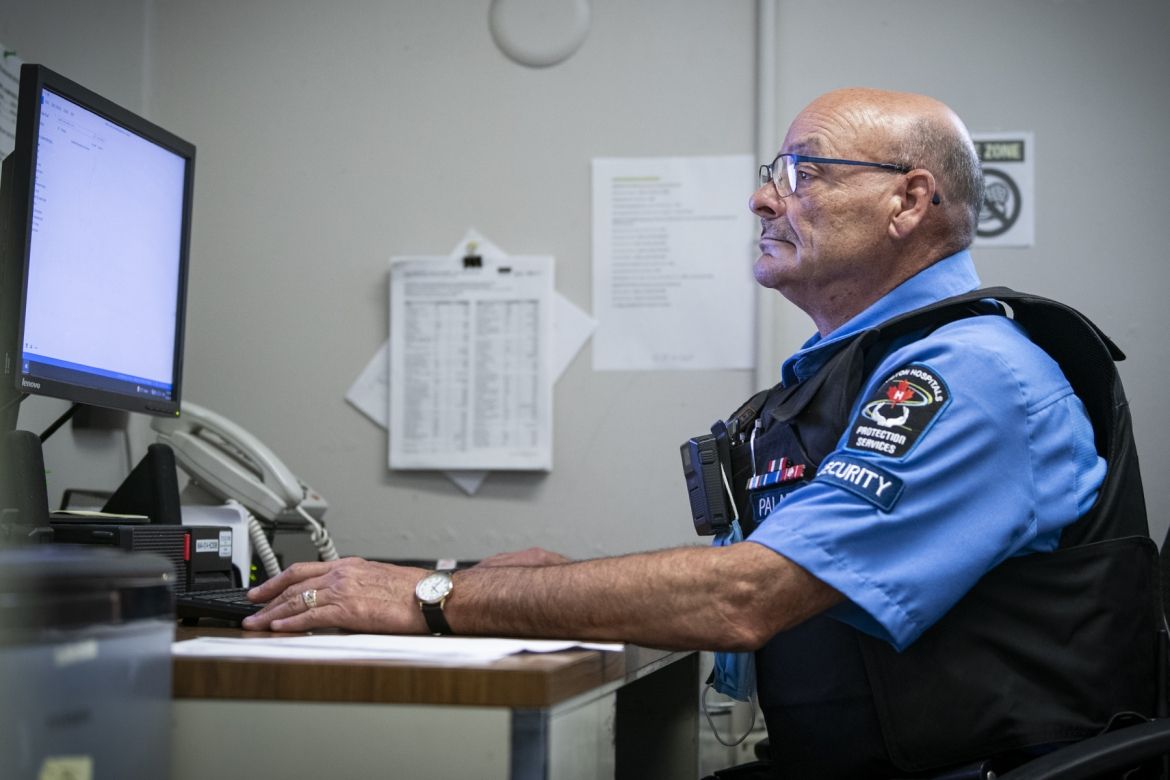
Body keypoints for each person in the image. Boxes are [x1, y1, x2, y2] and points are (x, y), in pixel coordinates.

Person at [243, 88, 1158, 777]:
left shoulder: (970, 375)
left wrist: (435, 596)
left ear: (909, 201)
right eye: (770, 177)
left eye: (803, 172)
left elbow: (746, 599)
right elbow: (782, 589)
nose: (765, 201)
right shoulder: (863, 369)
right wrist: (566, 588)